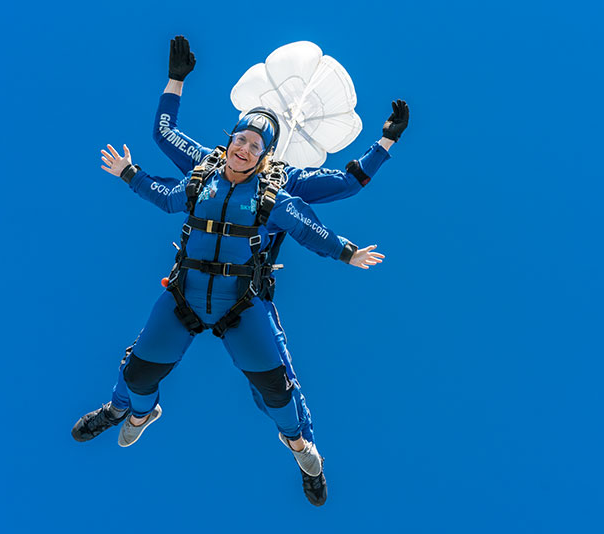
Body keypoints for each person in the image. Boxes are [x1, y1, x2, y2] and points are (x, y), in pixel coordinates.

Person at [72, 36, 409, 506]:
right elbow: (164, 138)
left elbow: (342, 190)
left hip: (244, 300)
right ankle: (128, 410)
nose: (246, 149)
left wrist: (385, 142)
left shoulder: (282, 186)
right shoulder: (205, 168)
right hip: (186, 293)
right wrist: (175, 81)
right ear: (230, 140)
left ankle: (301, 446)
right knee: (139, 371)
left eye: (257, 144)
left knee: (275, 386)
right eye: (242, 139)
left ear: (266, 154)